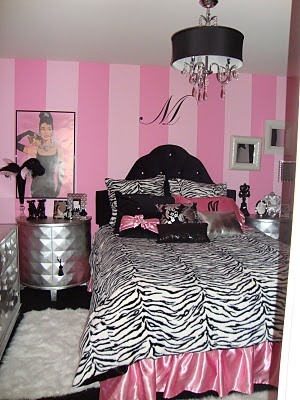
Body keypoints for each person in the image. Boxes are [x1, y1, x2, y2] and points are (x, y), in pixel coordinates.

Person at [17, 112, 64, 198]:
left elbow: (61, 171)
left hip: (50, 188)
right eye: (43, 129)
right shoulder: (36, 150)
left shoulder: (58, 149)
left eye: (49, 129)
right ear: (39, 131)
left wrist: (58, 190)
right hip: (36, 189)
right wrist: (27, 133)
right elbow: (15, 143)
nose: (46, 132)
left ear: (52, 131)